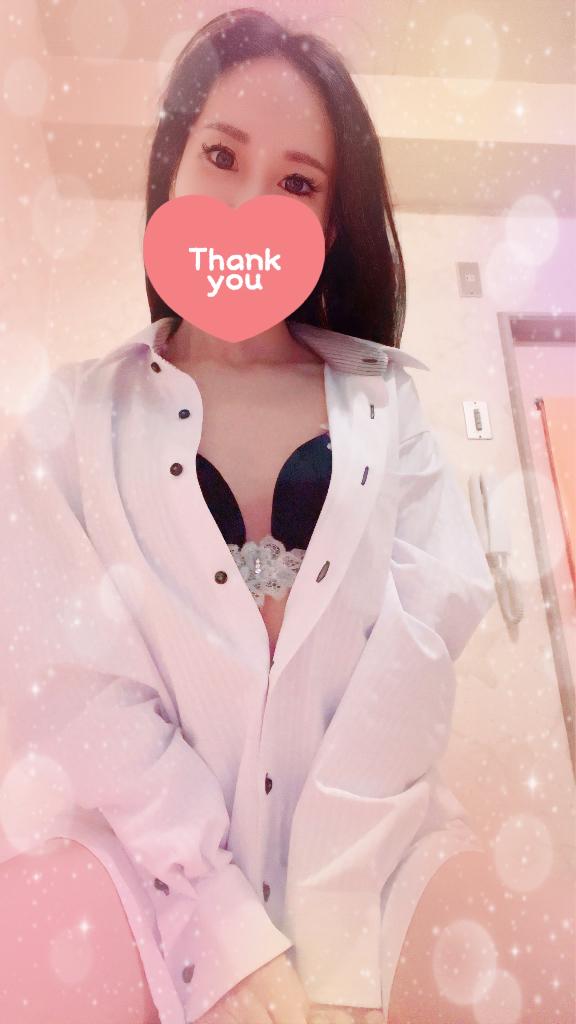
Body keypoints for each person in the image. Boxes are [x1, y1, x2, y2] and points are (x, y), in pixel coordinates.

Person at [0, 9, 498, 1024]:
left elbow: (414, 660)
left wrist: (330, 936)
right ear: (172, 168)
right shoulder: (66, 421)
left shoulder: (387, 407)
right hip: (142, 893)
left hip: (377, 878)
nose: (247, 206)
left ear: (331, 223)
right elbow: (80, 692)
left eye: (298, 183)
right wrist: (226, 932)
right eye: (222, 156)